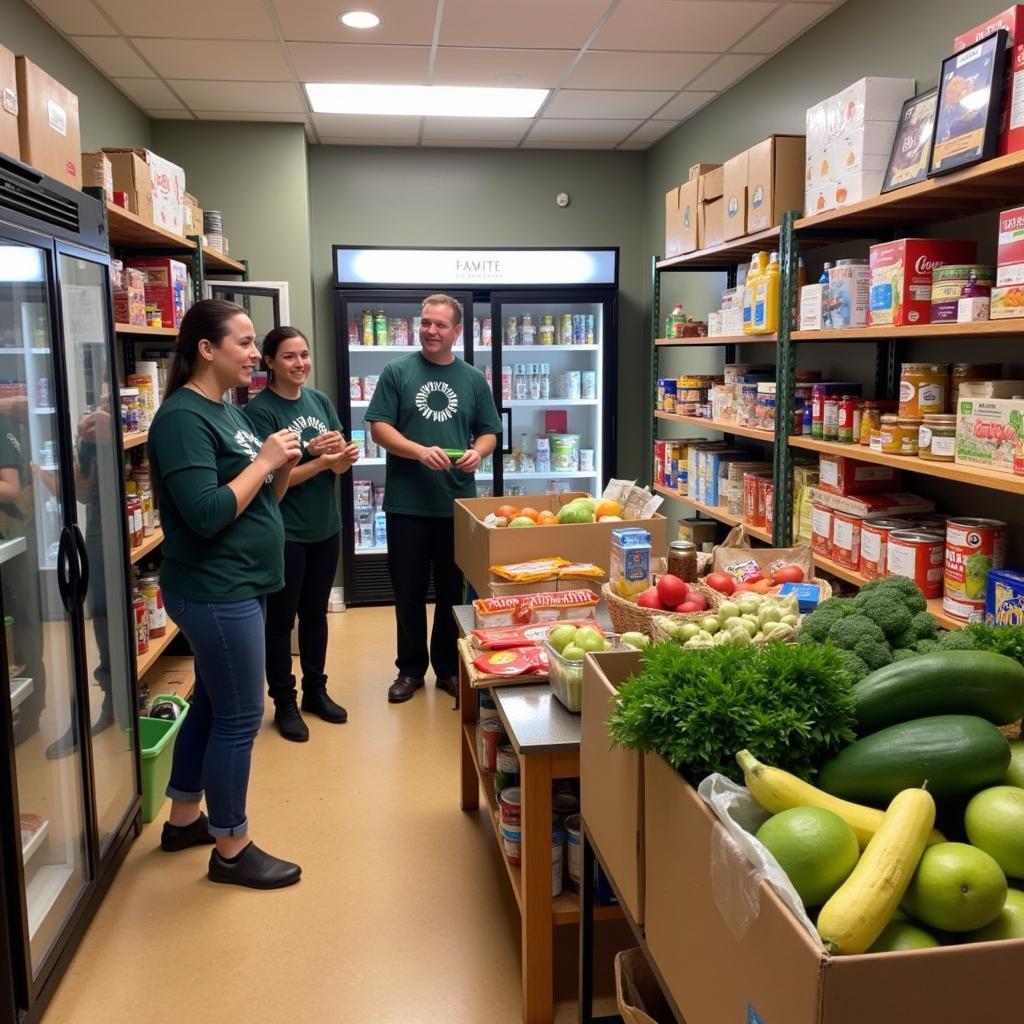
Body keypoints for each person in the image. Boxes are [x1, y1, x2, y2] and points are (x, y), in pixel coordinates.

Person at [149, 299, 303, 889]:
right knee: (240, 717)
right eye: (242, 342)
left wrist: (281, 464)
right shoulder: (182, 418)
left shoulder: (230, 414)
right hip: (215, 591)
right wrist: (263, 460)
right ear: (206, 349)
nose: (252, 353)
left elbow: (263, 501)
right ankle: (232, 848)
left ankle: (184, 817)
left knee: (212, 704)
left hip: (242, 584)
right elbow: (208, 514)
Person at [366, 294, 501, 704]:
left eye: (441, 325)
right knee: (406, 591)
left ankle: (446, 667)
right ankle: (409, 670)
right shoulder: (398, 371)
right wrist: (418, 451)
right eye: (426, 323)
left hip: (456, 504)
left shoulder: (473, 378)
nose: (431, 331)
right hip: (407, 503)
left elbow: (489, 431)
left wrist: (479, 451)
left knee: (452, 591)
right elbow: (379, 429)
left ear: (457, 332)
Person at [244, 326, 359, 742]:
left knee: (315, 615)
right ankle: (284, 703)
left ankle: (315, 691)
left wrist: (343, 458)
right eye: (289, 356)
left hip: (325, 527)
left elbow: (339, 466)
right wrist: (321, 462)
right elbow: (270, 480)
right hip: (285, 531)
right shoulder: (261, 412)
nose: (300, 363)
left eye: (305, 354)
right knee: (281, 621)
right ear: (269, 362)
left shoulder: (319, 401)